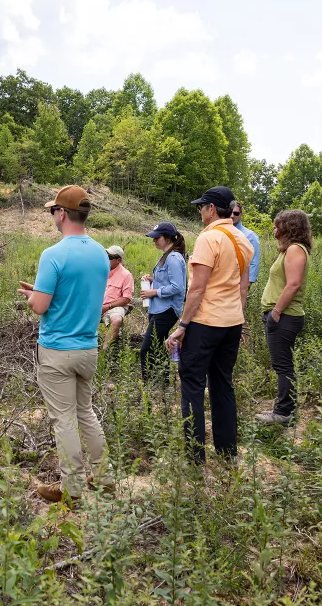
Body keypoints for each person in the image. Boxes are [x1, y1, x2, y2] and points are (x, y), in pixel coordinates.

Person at [18, 185, 113, 502]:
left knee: (64, 420)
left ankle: (71, 489)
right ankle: (104, 477)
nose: (52, 215)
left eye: (52, 211)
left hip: (58, 350)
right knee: (85, 413)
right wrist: (44, 291)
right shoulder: (100, 253)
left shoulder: (53, 254)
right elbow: (78, 294)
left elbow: (40, 307)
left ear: (62, 213)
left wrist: (34, 295)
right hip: (88, 348)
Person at [166, 187, 254, 464]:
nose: (200, 212)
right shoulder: (244, 241)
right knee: (223, 385)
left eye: (201, 207)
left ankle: (195, 458)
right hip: (231, 323)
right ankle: (228, 453)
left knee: (192, 385)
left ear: (212, 209)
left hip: (205, 323)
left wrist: (182, 325)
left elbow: (197, 289)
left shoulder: (209, 239)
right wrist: (237, 320)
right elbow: (243, 289)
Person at [255, 210, 311, 426]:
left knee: (283, 366)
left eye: (278, 225)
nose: (274, 229)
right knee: (283, 365)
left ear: (291, 227)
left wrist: (276, 312)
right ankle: (285, 409)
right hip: (282, 316)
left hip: (285, 316)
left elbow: (294, 283)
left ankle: (283, 413)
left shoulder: (296, 249)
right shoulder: (289, 250)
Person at [139, 223, 187, 385]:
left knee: (147, 348)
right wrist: (154, 281)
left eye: (157, 238)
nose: (154, 241)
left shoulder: (173, 258)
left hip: (167, 309)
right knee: (159, 346)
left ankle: (150, 385)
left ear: (167, 238)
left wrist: (154, 292)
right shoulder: (166, 255)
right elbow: (167, 280)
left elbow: (178, 286)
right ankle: (162, 382)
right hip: (159, 308)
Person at [101, 245, 134, 350]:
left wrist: (107, 307)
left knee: (116, 320)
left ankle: (105, 352)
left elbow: (126, 298)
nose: (107, 259)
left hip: (115, 306)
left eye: (110, 257)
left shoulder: (126, 275)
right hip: (98, 304)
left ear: (118, 260)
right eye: (106, 256)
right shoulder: (101, 271)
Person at [231, 202, 261, 287]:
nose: (232, 216)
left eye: (236, 213)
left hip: (239, 283)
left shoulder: (250, 235)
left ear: (241, 215)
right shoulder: (220, 232)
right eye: (230, 212)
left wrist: (247, 284)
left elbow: (254, 261)